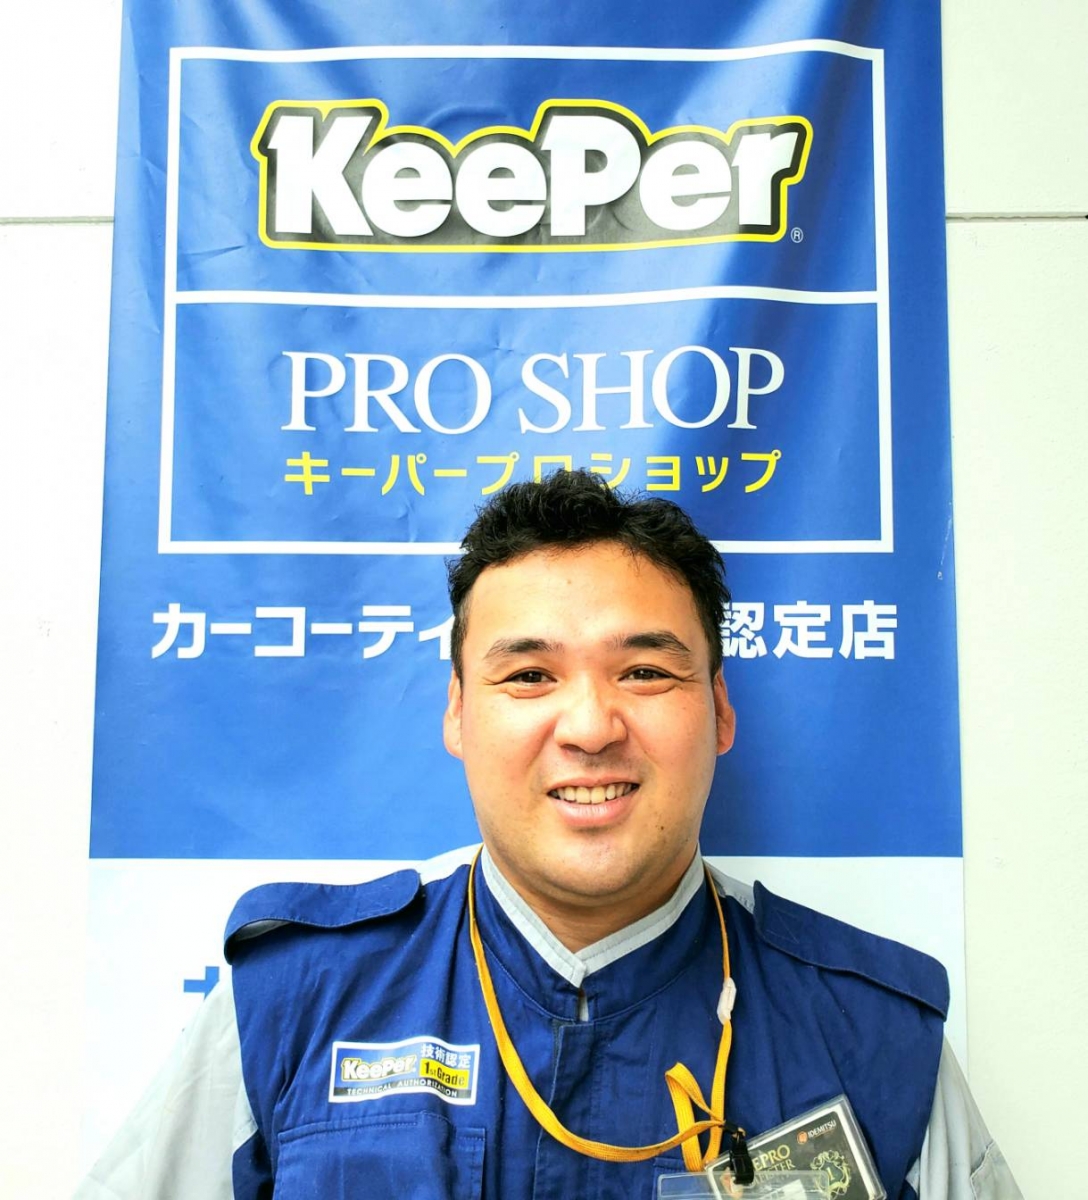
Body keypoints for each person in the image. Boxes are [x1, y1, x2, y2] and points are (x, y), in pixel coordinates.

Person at [77, 470, 1021, 1200]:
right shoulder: (296, 1001)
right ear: (457, 713)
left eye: (645, 673)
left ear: (721, 710)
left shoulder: (874, 1038)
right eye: (529, 676)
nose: (591, 726)